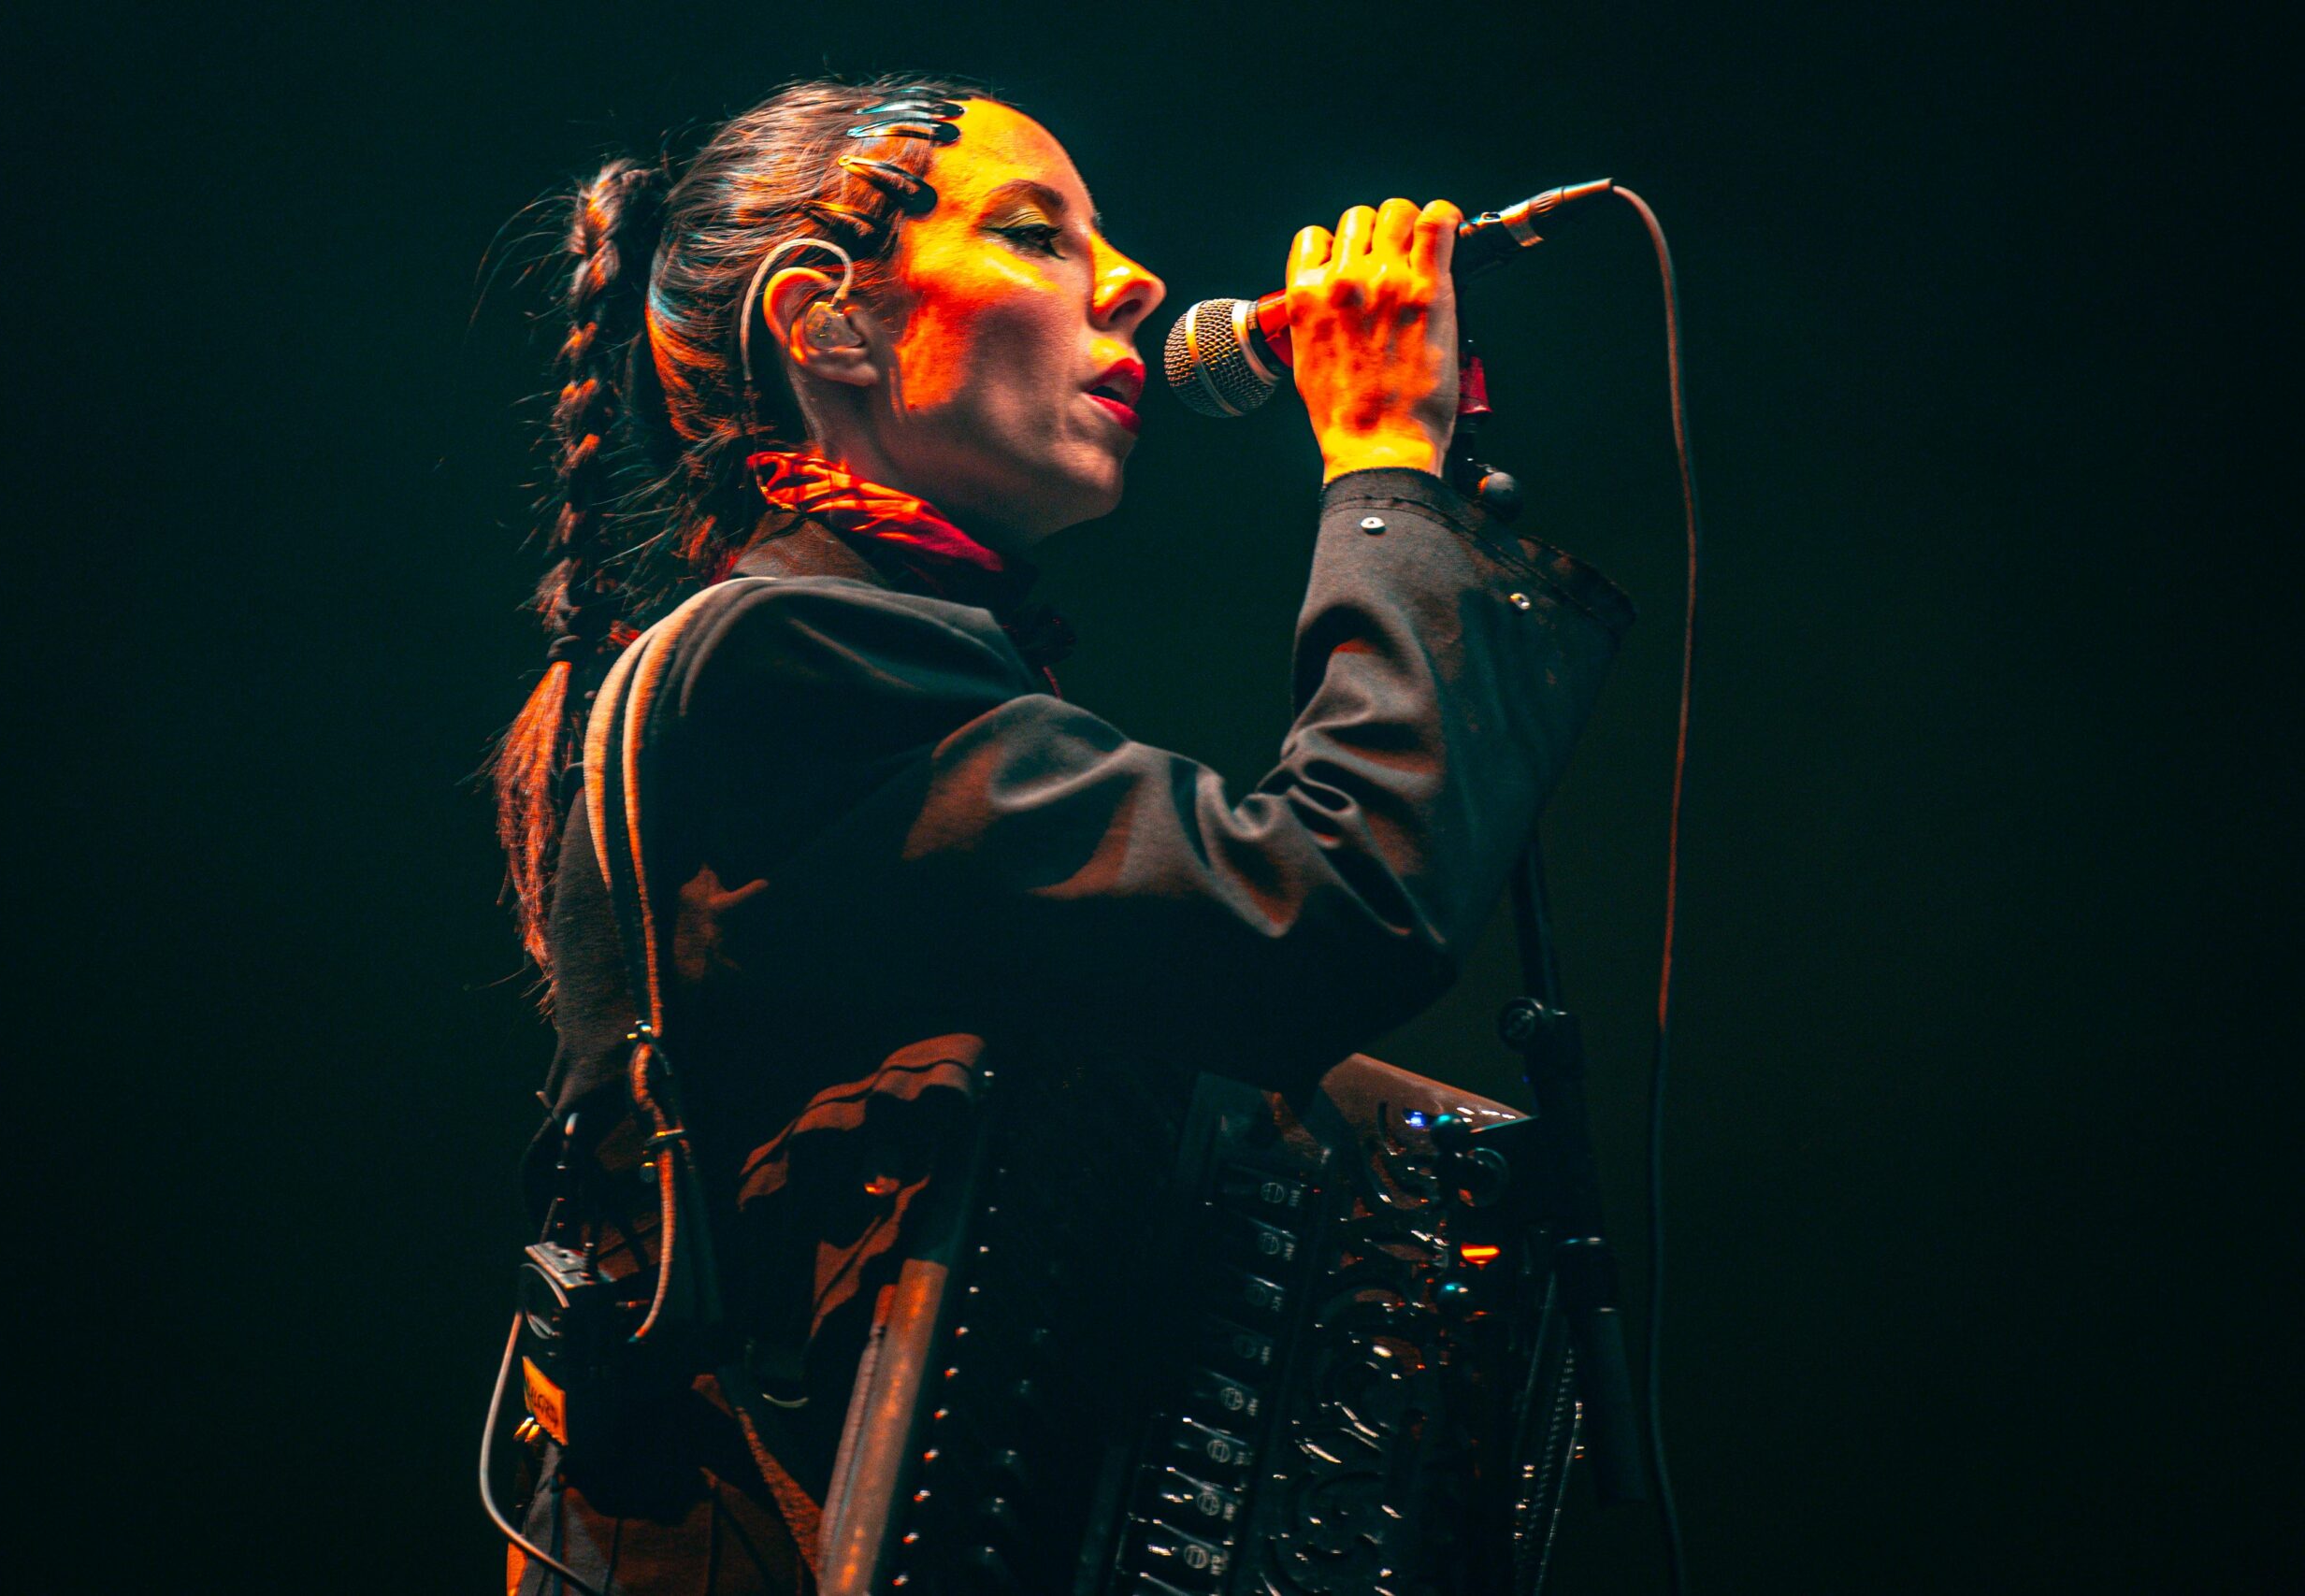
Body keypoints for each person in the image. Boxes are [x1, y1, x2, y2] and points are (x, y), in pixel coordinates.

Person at [491, 74, 1632, 1595]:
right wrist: (1380, 470)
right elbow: (1328, 907)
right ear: (826, 324)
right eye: (1038, 234)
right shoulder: (787, 660)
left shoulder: (885, 661)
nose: (1139, 282)